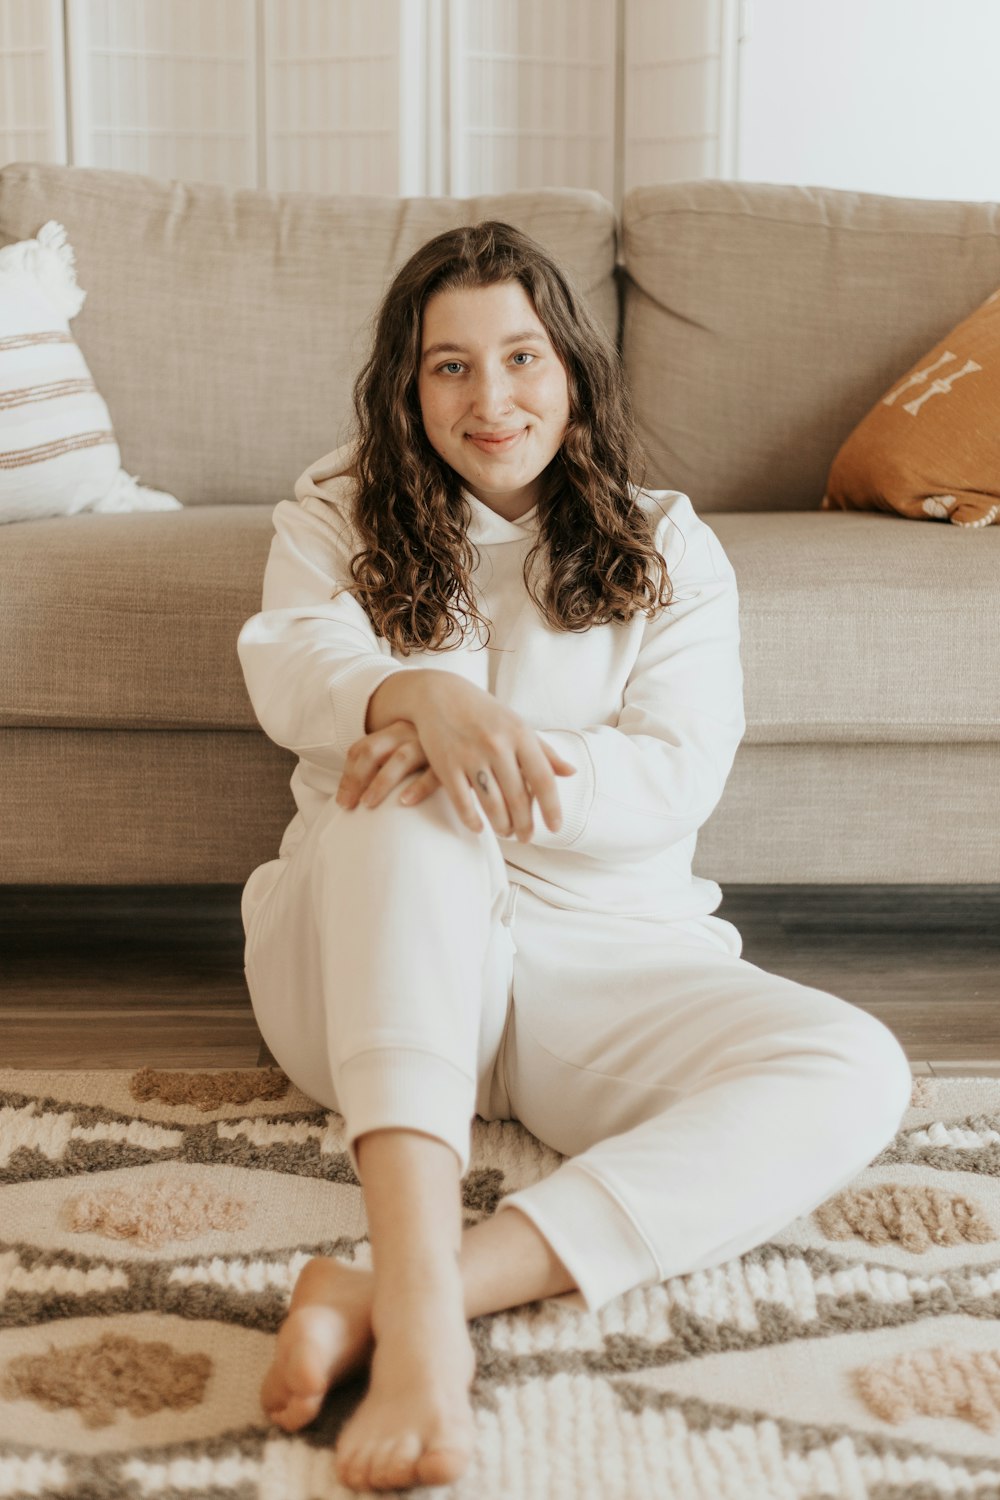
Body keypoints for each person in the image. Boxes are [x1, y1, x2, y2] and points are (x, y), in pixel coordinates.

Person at [236, 220, 913, 1494]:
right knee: (404, 792)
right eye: (448, 366)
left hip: (598, 960)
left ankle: (397, 1290)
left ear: (574, 374)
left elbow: (674, 775)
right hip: (361, 967)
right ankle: (428, 1339)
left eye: (521, 358)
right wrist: (409, 700)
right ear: (405, 384)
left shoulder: (667, 545)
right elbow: (289, 659)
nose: (490, 400)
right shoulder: (331, 510)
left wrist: (489, 741)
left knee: (852, 1068)